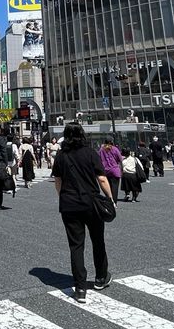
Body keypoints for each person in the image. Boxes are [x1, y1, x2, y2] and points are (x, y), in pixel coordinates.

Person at [52, 122, 113, 303]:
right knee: (98, 240)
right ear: (82, 134)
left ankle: (79, 288)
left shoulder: (61, 155)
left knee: (76, 245)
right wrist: (110, 199)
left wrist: (62, 196)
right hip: (91, 202)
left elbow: (58, 180)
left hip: (69, 204)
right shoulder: (90, 153)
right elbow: (101, 178)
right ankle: (101, 277)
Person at [98, 137, 122, 202]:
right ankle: (114, 202)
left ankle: (109, 200)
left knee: (108, 187)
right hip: (115, 170)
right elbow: (120, 159)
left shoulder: (101, 150)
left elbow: (98, 159)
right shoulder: (115, 149)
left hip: (105, 170)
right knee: (115, 187)